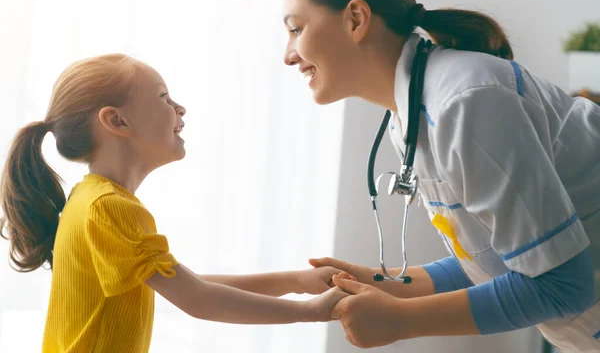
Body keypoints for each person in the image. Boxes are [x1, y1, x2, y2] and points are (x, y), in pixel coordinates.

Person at [282, 0, 600, 351]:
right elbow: (497, 258)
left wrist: (402, 320)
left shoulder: (466, 101)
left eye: (296, 29)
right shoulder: (413, 115)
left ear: (356, 19)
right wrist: (385, 284)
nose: (288, 54)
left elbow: (562, 284)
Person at [0, 54, 350, 352]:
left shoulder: (91, 199)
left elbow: (190, 283)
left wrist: (298, 282)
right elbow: (198, 298)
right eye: (164, 97)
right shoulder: (108, 208)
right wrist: (314, 312)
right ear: (116, 120)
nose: (180, 108)